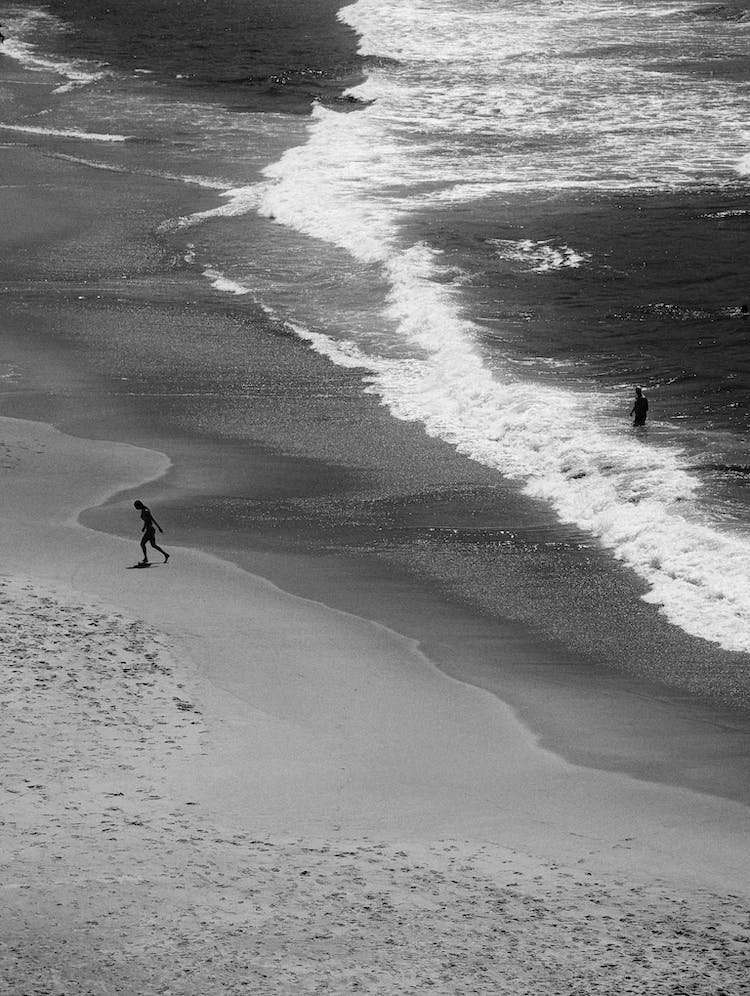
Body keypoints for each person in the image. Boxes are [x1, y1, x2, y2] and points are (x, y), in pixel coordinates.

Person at [134, 500, 169, 565]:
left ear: (139, 505)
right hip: (150, 530)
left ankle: (146, 559)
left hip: (150, 530)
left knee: (142, 544)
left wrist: (159, 527)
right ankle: (165, 554)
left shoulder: (145, 510)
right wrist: (144, 528)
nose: (136, 508)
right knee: (153, 545)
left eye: (136, 506)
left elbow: (151, 519)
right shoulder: (144, 509)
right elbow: (146, 521)